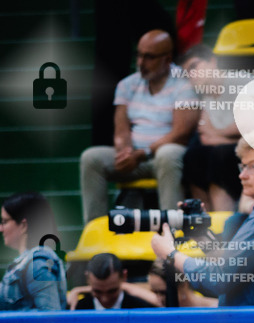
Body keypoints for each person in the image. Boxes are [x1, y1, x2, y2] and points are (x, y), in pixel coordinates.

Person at [150, 128, 254, 306]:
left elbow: (218, 279)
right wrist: (201, 235)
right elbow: (239, 271)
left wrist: (170, 253)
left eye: (253, 167)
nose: (242, 175)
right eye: (242, 166)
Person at [80, 30, 200, 225]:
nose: (141, 63)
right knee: (91, 158)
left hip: (164, 158)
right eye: (139, 54)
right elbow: (121, 128)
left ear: (167, 59)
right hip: (135, 157)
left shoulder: (184, 85)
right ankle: (95, 231)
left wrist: (142, 154)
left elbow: (180, 133)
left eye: (149, 57)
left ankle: (173, 233)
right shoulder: (127, 85)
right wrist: (125, 152)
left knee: (168, 154)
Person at [179, 46, 243, 212]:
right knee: (192, 157)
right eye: (187, 73)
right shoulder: (206, 97)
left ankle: (222, 226)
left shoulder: (240, 81)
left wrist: (218, 133)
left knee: (218, 155)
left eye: (194, 67)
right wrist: (229, 135)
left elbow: (249, 128)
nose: (191, 75)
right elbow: (205, 138)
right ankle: (204, 222)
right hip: (229, 149)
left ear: (213, 62)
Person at [0, 192, 67, 312]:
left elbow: (49, 317)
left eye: (5, 221)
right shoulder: (29, 261)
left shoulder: (37, 263)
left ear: (23, 225)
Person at [71, 253, 157, 310]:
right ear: (88, 279)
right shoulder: (78, 308)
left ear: (124, 276)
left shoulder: (141, 309)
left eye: (112, 291)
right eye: (97, 291)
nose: (105, 299)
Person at [146, 258, 218, 307]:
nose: (158, 298)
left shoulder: (216, 308)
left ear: (184, 284)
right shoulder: (162, 308)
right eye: (154, 292)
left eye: (164, 293)